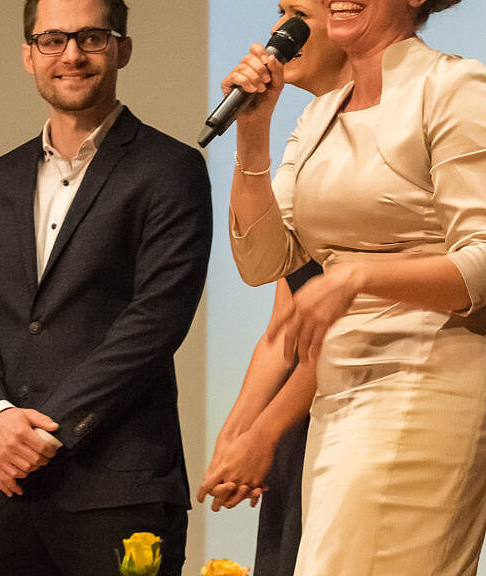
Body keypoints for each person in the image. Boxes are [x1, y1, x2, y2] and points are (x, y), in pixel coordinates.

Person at [207, 0, 486, 574]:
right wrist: (253, 135)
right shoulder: (320, 116)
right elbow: (262, 261)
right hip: (341, 388)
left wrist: (358, 276)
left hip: (430, 375)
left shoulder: (455, 87)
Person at [0, 0, 212, 575]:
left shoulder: (171, 169)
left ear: (122, 49)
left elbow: (155, 323)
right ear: (28, 55)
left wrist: (41, 436)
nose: (71, 54)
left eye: (91, 37)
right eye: (52, 39)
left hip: (115, 485)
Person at [197, 2, 348, 574]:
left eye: (299, 14)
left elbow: (348, 320)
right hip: (296, 419)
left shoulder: (379, 132)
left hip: (350, 404)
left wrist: (264, 430)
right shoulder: (311, 131)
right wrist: (234, 434)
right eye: (280, 12)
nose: (282, 31)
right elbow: (283, 319)